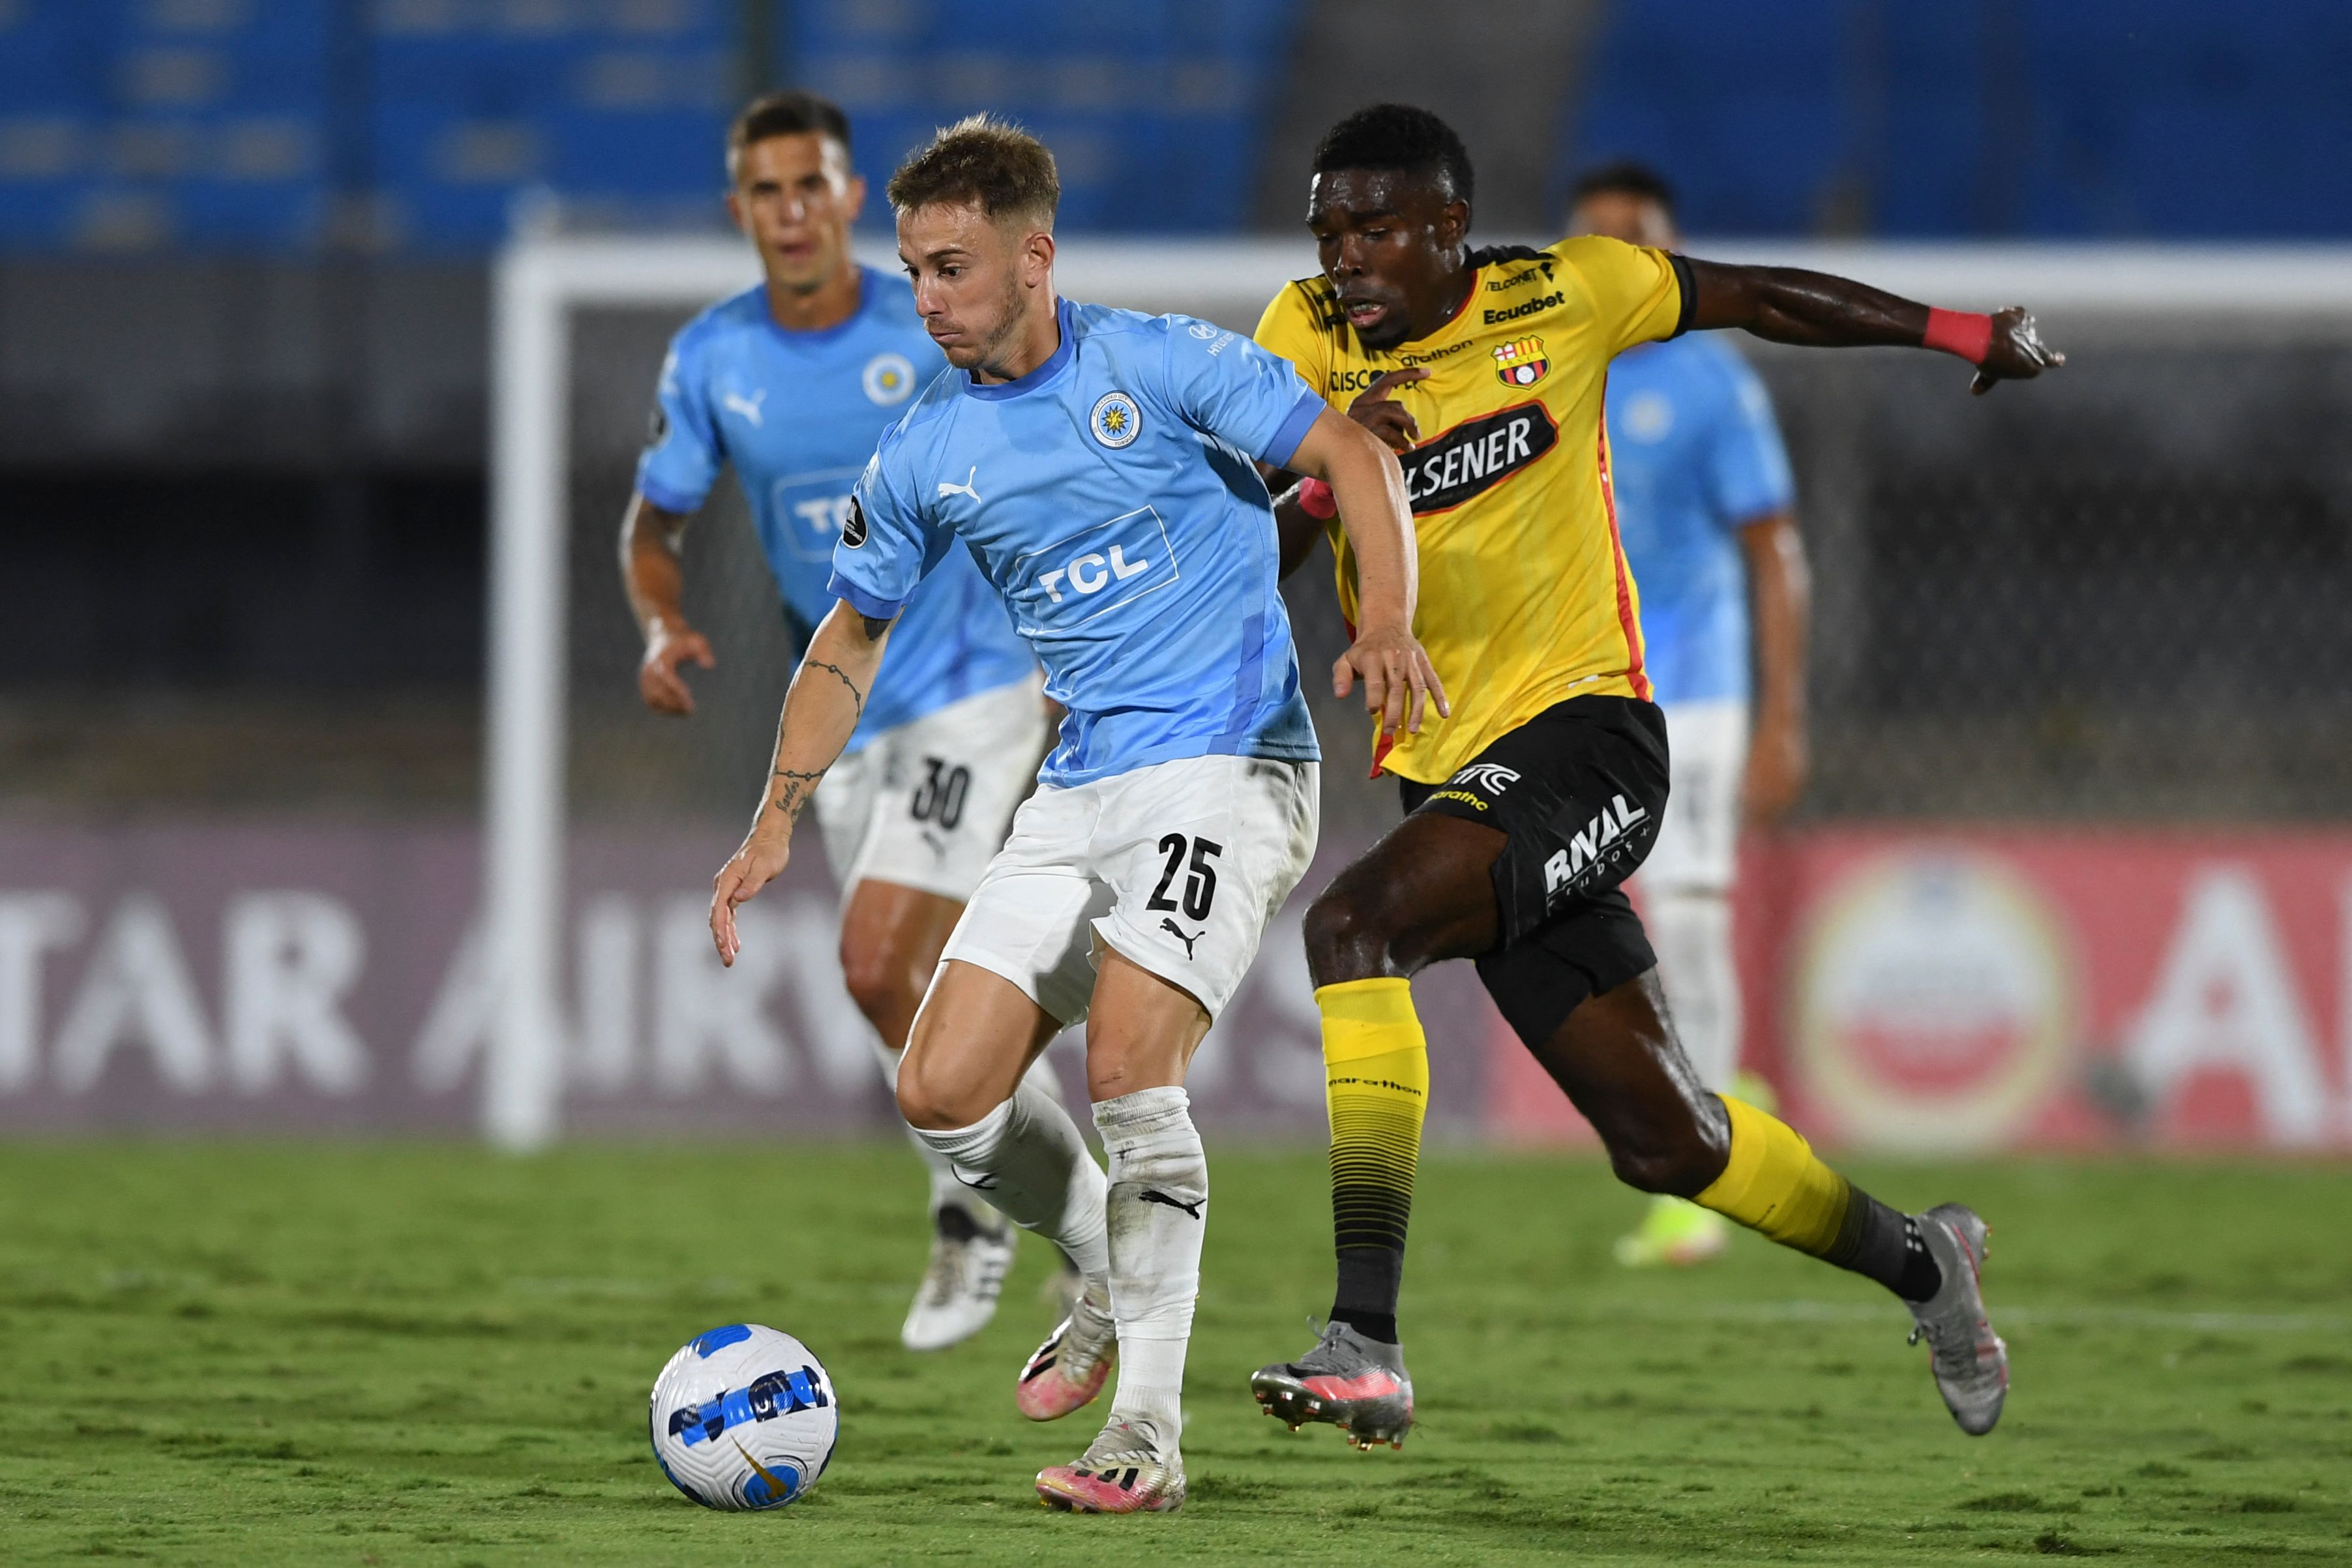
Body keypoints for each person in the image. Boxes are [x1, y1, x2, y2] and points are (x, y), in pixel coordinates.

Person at [1247, 104, 2061, 1451]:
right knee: (1667, 1143)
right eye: (1330, 230)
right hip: (1449, 777)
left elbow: (1756, 298)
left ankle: (1365, 1343)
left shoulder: (1564, 293)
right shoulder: (1300, 340)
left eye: (1377, 228)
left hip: (1588, 743)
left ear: (1449, 226)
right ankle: (1928, 1266)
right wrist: (1327, 480)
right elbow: (1252, 547)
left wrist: (1960, 334)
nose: (1346, 257)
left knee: (1353, 928)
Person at [706, 116, 1443, 1515]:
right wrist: (773, 823)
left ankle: (1146, 1442)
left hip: (1229, 768)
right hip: (1080, 782)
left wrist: (1388, 621)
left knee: (1126, 1069)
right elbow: (846, 644)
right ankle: (1105, 1264)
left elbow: (1351, 454)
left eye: (950, 269)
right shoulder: (925, 448)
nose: (922, 300)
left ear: (1033, 257)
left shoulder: (1160, 364)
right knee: (936, 1088)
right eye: (913, 270)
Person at [619, 91, 1067, 1352]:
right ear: (740, 210)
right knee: (900, 989)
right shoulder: (712, 357)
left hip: (975, 685)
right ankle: (1034, 1207)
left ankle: (1010, 1214)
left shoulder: (923, 316)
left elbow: (1032, 432)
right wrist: (662, 622)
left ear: (849, 193)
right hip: (846, 707)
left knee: (875, 960)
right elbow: (655, 523)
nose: (793, 210)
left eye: (811, 183)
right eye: (767, 191)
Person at [1565, 161, 1808, 1271]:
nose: (1619, 256)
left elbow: (1774, 552)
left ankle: (1703, 1171)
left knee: (1693, 914)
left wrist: (1781, 720)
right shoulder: (1540, 374)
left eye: (1639, 237)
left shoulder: (1711, 383)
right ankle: (1721, 1092)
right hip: (1581, 687)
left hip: (1696, 690)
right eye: (1598, 237)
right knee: (1607, 933)